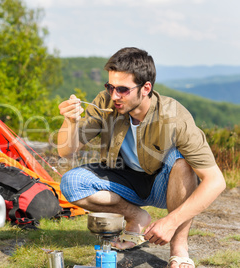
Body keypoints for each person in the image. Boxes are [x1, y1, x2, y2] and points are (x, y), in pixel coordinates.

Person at [57, 47, 226, 268]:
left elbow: (216, 181)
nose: (114, 96)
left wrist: (171, 222)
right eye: (110, 87)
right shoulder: (104, 103)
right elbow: (65, 151)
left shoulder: (175, 116)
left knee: (182, 161)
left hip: (164, 184)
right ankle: (136, 217)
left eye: (123, 90)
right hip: (124, 179)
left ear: (146, 88)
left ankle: (179, 249)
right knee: (71, 183)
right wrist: (70, 121)